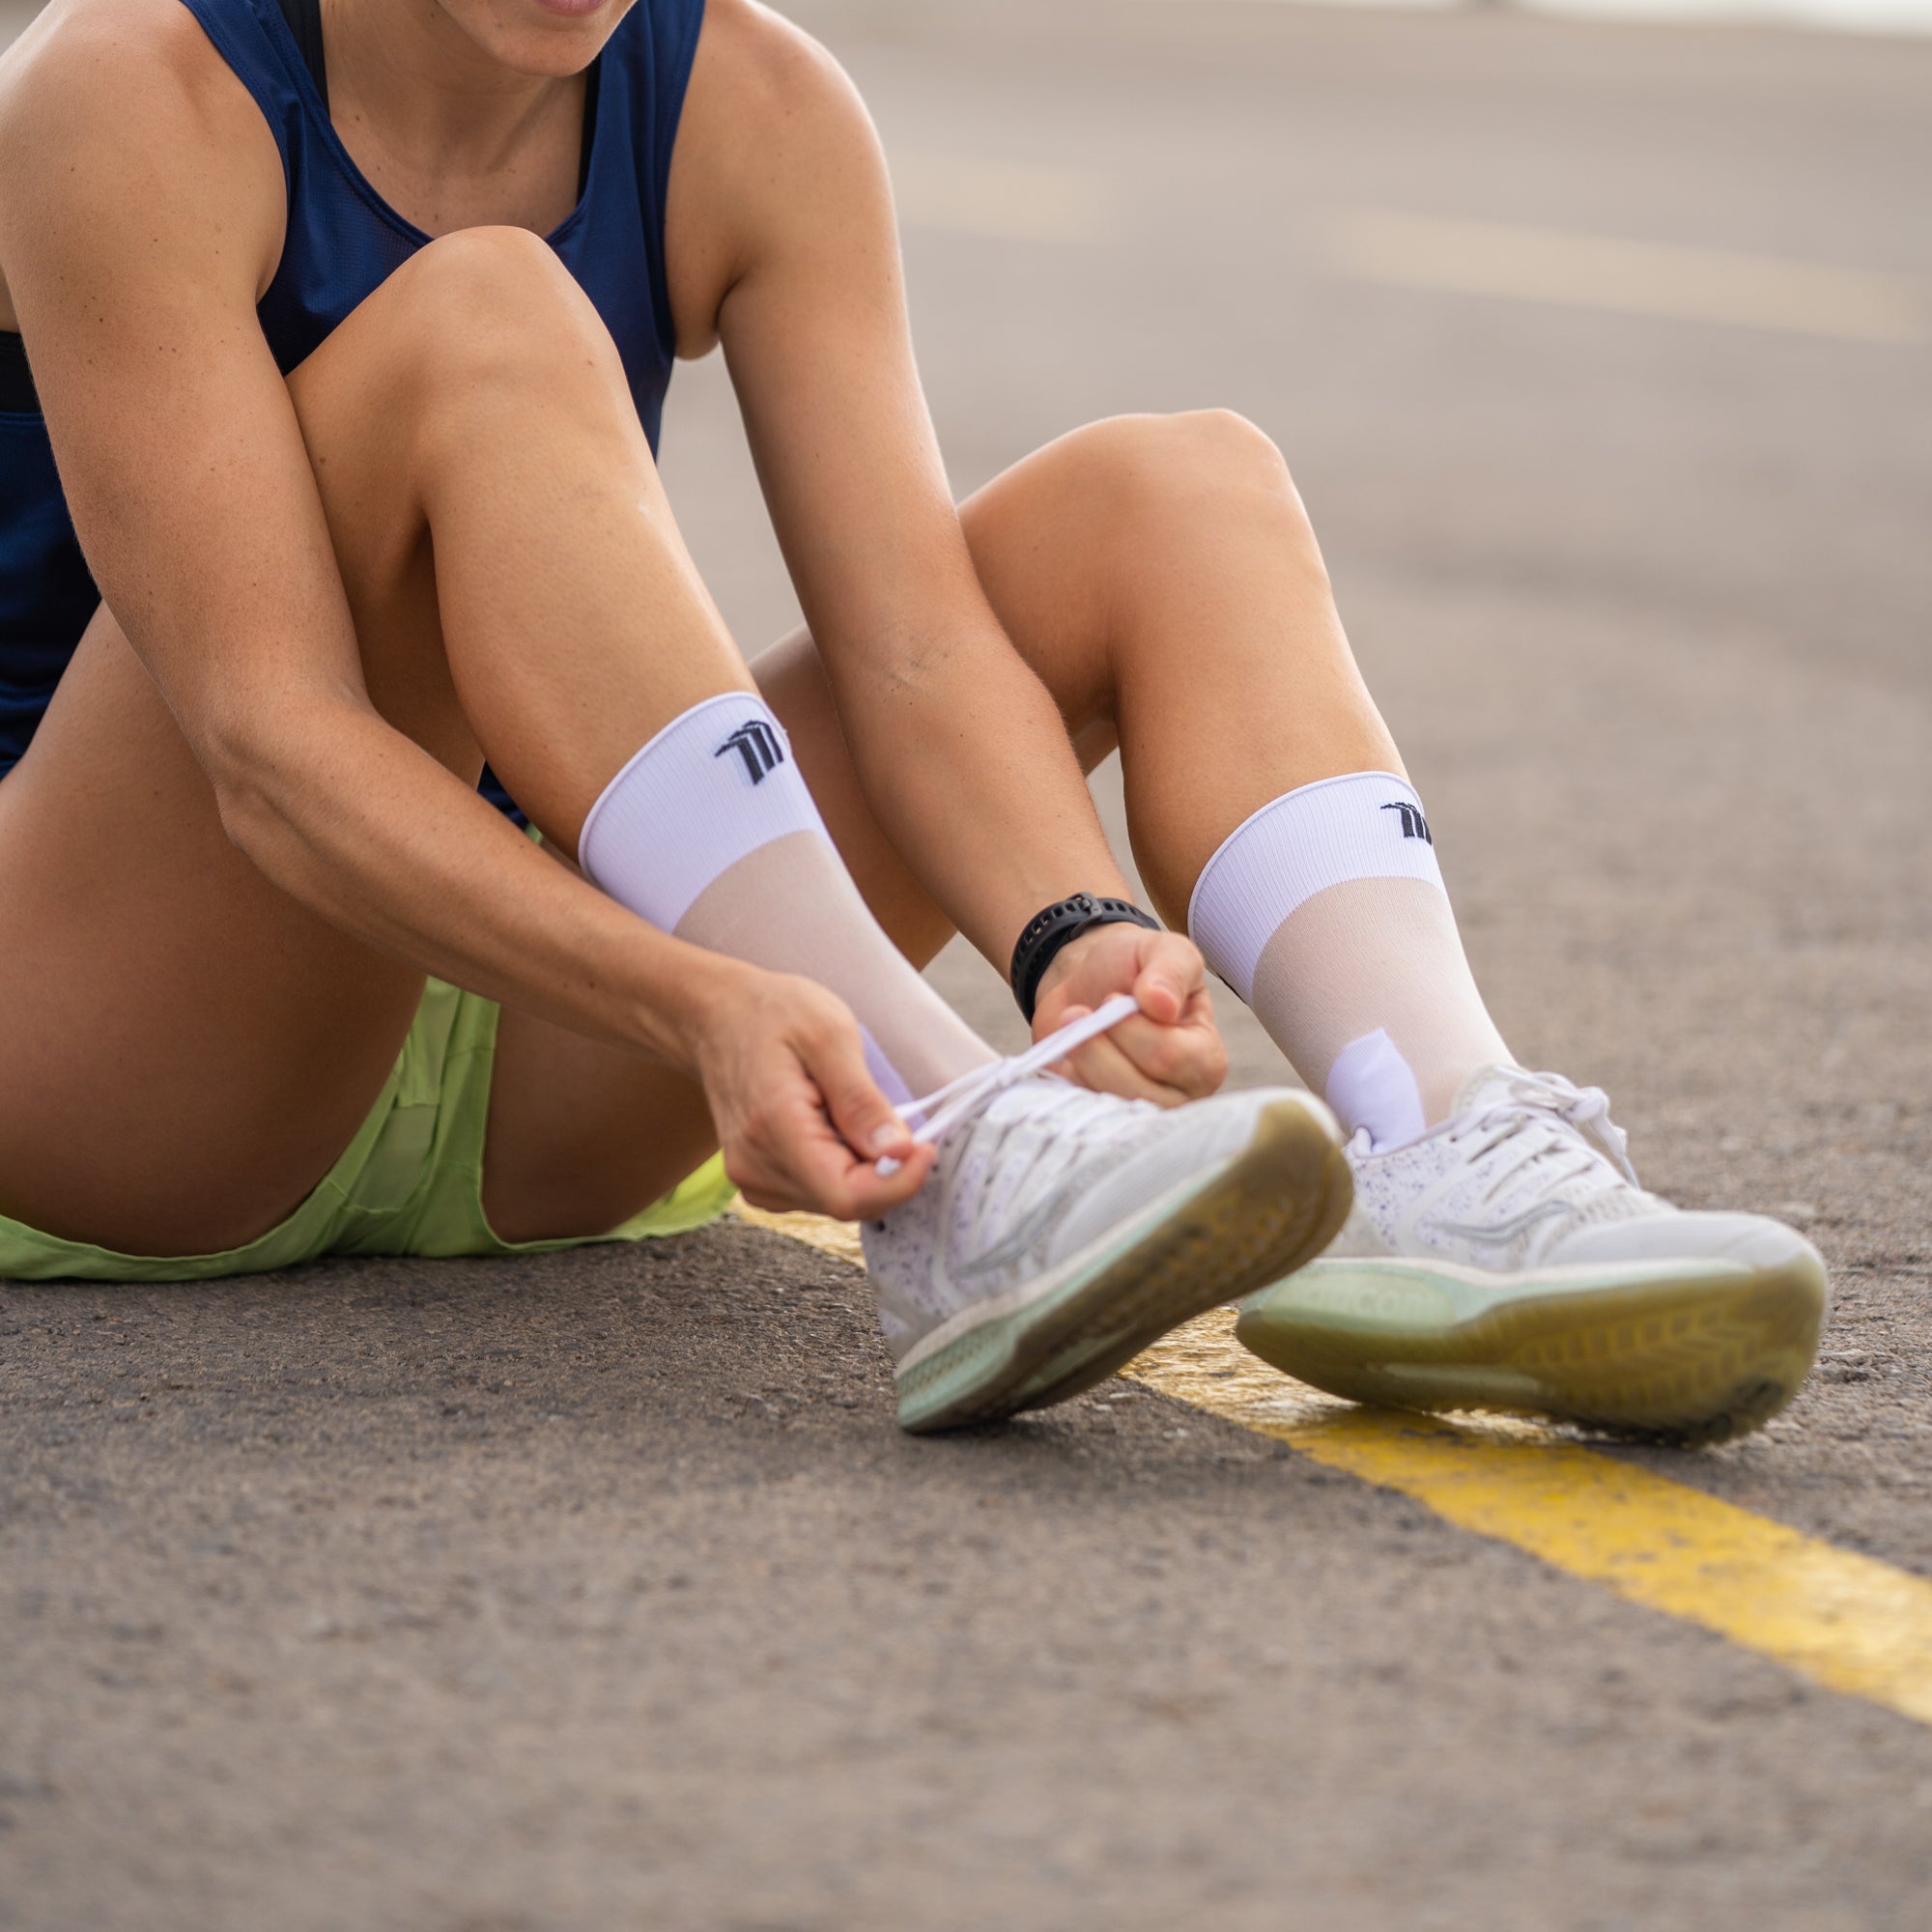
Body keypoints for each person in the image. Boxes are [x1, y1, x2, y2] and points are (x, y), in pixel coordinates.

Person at [0, 0, 1823, 1441]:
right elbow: (267, 751)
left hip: (530, 1054)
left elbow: (922, 657)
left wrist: (1070, 930)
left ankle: (1458, 1157)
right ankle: (959, 1157)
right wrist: (701, 999)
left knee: (1180, 491)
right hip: (137, 1054)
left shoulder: (751, 105)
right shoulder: (131, 88)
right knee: (481, 317)